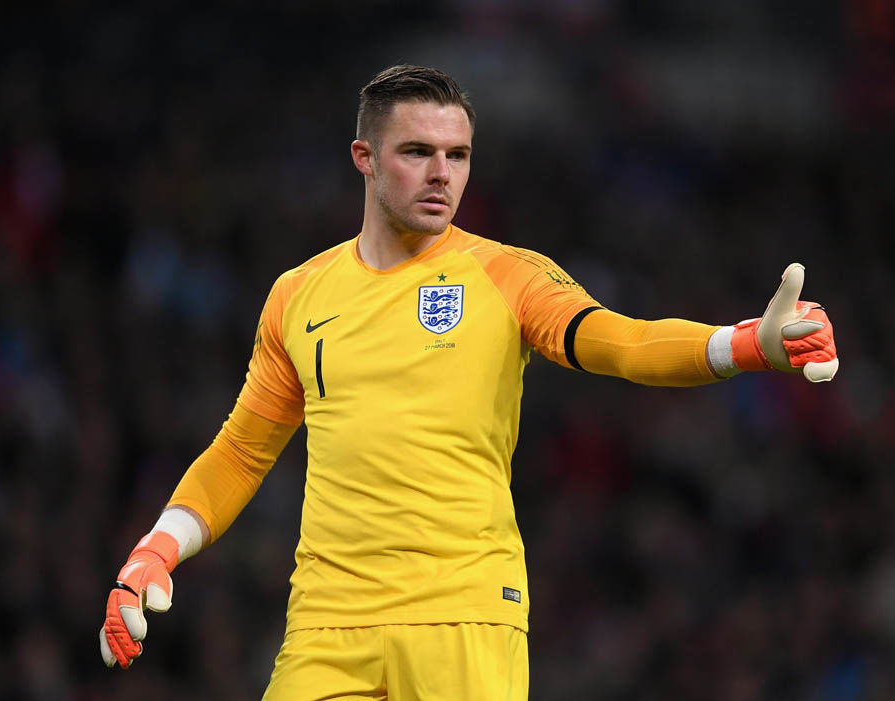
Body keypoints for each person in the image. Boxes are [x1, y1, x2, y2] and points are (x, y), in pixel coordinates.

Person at [99, 65, 838, 700]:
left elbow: (622, 342)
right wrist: (156, 549)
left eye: (457, 155)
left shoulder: (505, 275)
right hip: (327, 624)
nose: (441, 174)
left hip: (464, 614)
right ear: (364, 158)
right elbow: (242, 451)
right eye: (417, 152)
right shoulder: (297, 296)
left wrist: (744, 344)